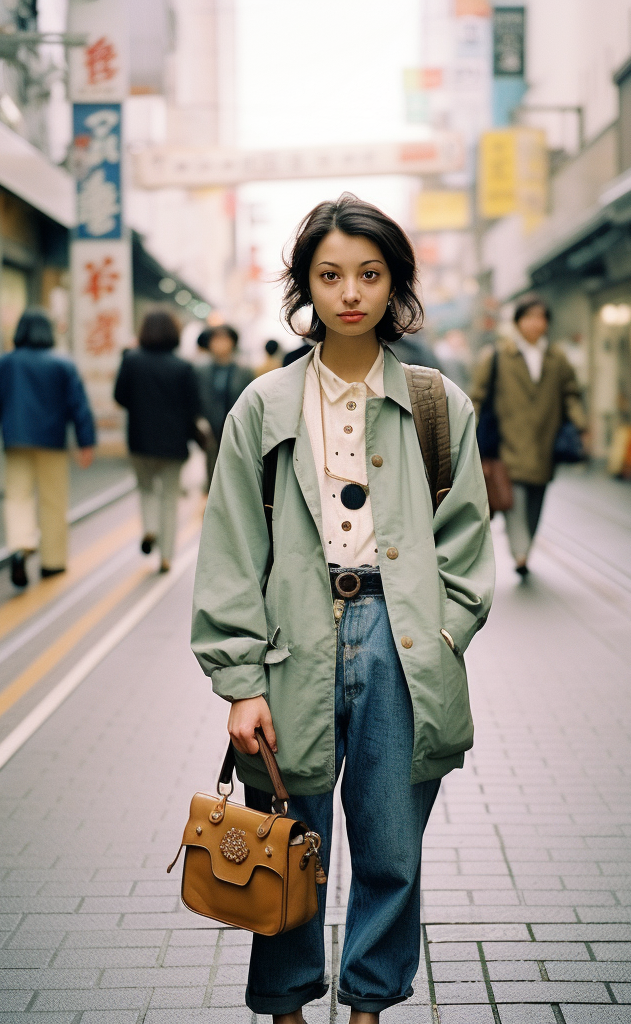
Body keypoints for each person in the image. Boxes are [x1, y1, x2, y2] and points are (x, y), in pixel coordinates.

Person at [191, 193, 495, 1022]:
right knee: (287, 840)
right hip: (294, 643)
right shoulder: (264, 406)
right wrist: (239, 679)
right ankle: (287, 1006)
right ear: (306, 288)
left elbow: (467, 541)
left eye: (369, 273)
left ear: (394, 284)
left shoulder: (437, 404)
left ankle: (368, 1006)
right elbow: (229, 551)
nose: (350, 292)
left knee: (392, 846)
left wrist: (444, 635)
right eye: (330, 275)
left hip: (402, 643)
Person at [469, 294, 587, 578]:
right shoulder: (498, 356)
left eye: (541, 318)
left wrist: (580, 423)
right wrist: (469, 434)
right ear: (518, 322)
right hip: (508, 443)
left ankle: (525, 546)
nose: (536, 324)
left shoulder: (557, 358)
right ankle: (520, 552)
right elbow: (478, 397)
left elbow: (570, 393)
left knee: (536, 498)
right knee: (515, 499)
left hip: (545, 443)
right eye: (529, 318)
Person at [0, 309, 96, 587]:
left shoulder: (2, 364)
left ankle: (20, 545)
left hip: (15, 441)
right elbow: (79, 407)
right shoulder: (63, 365)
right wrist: (85, 442)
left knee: (17, 496)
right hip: (53, 442)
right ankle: (52, 563)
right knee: (53, 501)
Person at [113, 310, 200, 572]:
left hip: (140, 440)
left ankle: (150, 529)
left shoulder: (131, 361)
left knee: (146, 488)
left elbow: (120, 396)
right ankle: (166, 557)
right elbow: (193, 407)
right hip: (173, 444)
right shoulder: (183, 367)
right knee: (169, 498)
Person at [195, 324, 254, 489]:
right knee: (211, 469)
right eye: (216, 339)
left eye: (224, 339)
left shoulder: (244, 371)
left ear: (233, 342)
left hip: (236, 427)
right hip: (209, 428)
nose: (220, 343)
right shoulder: (200, 370)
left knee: (235, 472)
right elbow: (196, 399)